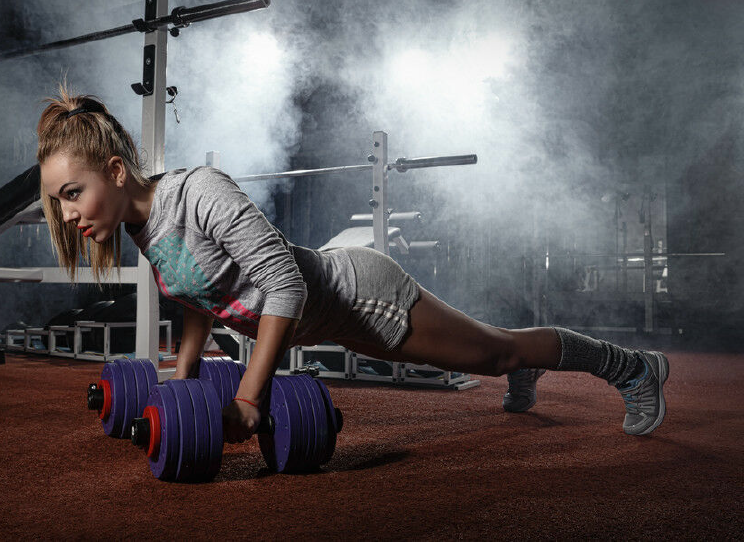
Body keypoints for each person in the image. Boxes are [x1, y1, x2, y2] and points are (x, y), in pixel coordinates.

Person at [36, 86, 669, 444]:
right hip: (334, 322)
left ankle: (634, 368)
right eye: (57, 203)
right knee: (482, 348)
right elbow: (195, 298)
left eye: (72, 194)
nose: (68, 215)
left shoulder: (197, 192)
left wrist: (250, 398)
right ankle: (520, 367)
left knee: (498, 350)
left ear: (116, 172)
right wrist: (187, 376)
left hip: (363, 295)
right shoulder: (144, 226)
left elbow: (283, 280)